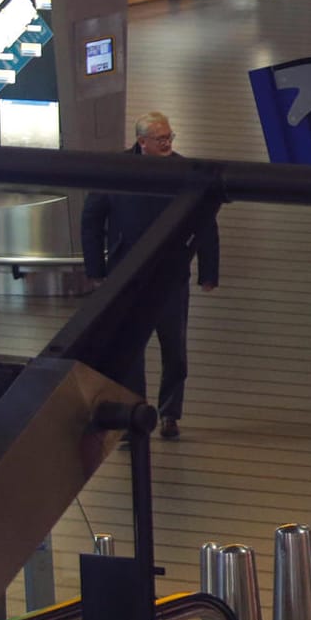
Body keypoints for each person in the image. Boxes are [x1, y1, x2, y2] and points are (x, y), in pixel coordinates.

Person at [80, 111, 219, 440]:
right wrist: (96, 271)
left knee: (174, 349)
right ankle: (134, 413)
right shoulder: (116, 171)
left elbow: (206, 225)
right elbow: (91, 222)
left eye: (170, 136)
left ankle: (171, 413)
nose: (168, 143)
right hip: (126, 276)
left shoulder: (187, 171)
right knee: (130, 349)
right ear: (141, 141)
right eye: (161, 139)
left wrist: (208, 271)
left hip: (170, 276)